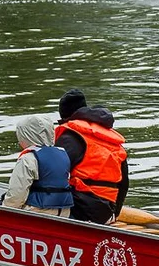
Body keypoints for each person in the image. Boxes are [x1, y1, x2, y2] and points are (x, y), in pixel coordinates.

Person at [54, 89, 129, 224]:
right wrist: (114, 214)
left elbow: (52, 174)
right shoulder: (111, 139)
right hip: (106, 211)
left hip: (79, 208)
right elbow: (123, 184)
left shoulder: (71, 136)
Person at [3, 114, 74, 217]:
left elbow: (16, 194)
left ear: (26, 136)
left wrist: (4, 210)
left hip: (38, 211)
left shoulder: (28, 158)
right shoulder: (63, 154)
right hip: (64, 212)